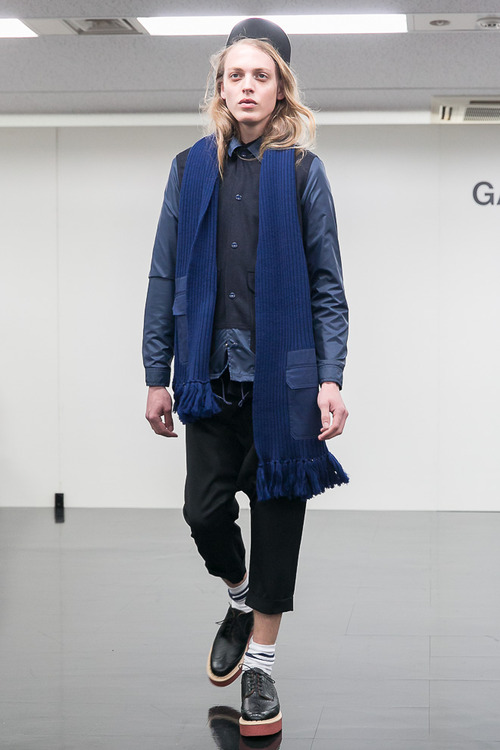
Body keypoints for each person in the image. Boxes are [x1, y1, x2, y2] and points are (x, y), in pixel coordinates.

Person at [143, 18, 349, 738]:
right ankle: (238, 595)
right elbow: (164, 275)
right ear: (221, 87)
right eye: (236, 75)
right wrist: (157, 372)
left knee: (278, 522)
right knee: (204, 512)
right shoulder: (189, 169)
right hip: (209, 375)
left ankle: (261, 662)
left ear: (280, 88)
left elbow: (326, 285)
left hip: (285, 383)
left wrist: (330, 377)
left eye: (261, 76)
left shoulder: (303, 172)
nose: (247, 87)